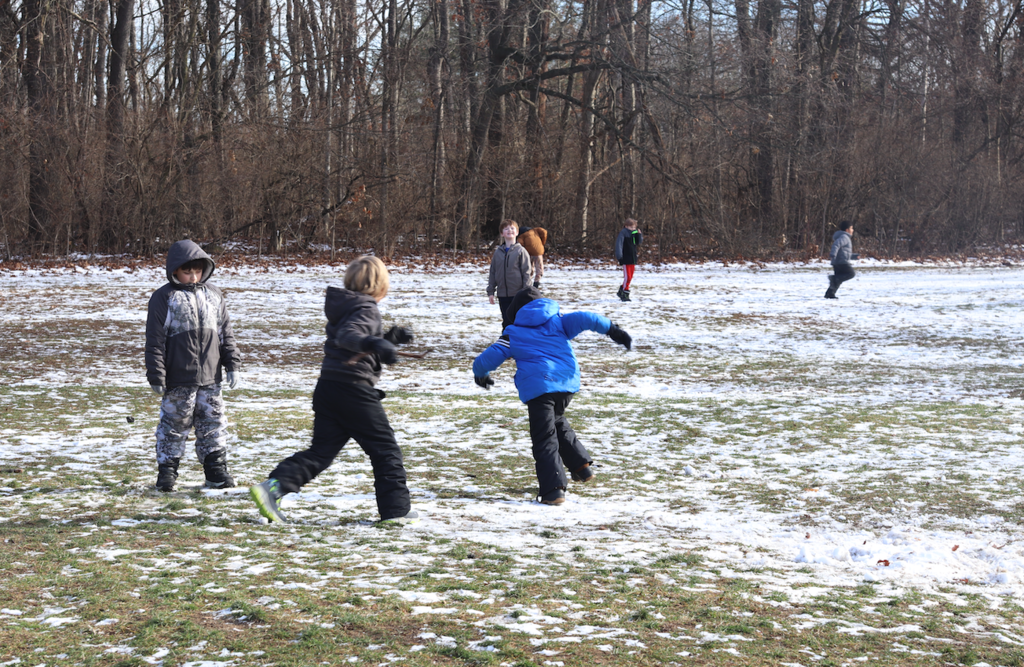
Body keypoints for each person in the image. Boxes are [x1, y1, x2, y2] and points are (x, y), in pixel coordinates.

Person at [250, 256, 418, 524]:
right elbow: (349, 337)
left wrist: (388, 339)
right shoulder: (366, 308)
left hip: (329, 388)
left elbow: (356, 342)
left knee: (321, 452)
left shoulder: (347, 307)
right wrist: (376, 341)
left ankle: (273, 487)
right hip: (353, 391)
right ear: (379, 286)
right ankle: (397, 513)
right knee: (386, 450)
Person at [472, 287, 632, 505]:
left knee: (544, 437)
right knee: (555, 420)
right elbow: (588, 318)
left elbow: (488, 358)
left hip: (539, 388)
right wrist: (614, 330)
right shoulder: (559, 320)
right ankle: (581, 467)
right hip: (566, 383)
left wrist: (480, 375)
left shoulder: (513, 332)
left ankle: (553, 490)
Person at [146, 240, 241, 492]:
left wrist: (232, 363)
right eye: (187, 272)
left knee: (213, 424)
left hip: (211, 377)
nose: (193, 276)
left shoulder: (214, 295)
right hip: (179, 378)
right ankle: (167, 473)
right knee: (174, 426)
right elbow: (155, 341)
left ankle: (216, 471)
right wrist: (157, 374)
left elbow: (225, 333)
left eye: (197, 271)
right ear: (175, 271)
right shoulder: (164, 297)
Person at [486, 219, 532, 319]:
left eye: (512, 228)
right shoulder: (498, 253)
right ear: (502, 233)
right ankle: (506, 335)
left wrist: (525, 293)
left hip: (517, 294)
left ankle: (517, 335)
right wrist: (491, 292)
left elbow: (526, 273)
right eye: (506, 229)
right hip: (502, 294)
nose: (510, 230)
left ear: (517, 232)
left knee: (518, 320)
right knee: (506, 321)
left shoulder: (521, 251)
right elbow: (493, 273)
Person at [826, 221, 858, 299]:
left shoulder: (843, 237)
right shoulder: (844, 237)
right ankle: (833, 278)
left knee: (838, 280)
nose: (853, 230)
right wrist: (833, 254)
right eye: (851, 228)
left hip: (837, 261)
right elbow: (836, 244)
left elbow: (844, 253)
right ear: (847, 230)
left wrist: (854, 256)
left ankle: (830, 294)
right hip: (841, 262)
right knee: (851, 273)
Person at [614, 218, 643, 301]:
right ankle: (625, 293)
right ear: (626, 226)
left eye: (634, 227)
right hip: (625, 258)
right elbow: (619, 245)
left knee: (630, 277)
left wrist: (639, 235)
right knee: (627, 277)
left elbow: (638, 242)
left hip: (632, 258)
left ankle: (621, 291)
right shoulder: (623, 233)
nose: (633, 229)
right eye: (631, 227)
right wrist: (620, 257)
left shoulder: (634, 233)